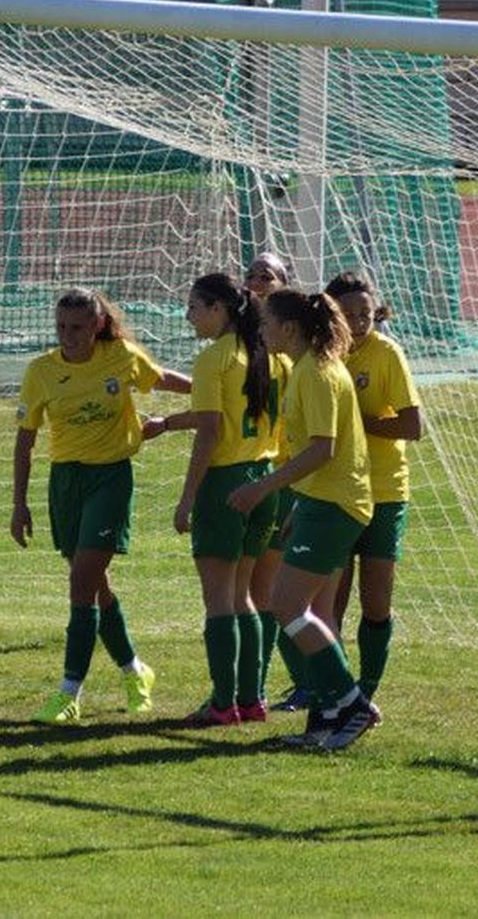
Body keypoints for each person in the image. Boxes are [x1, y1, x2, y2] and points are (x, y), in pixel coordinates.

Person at [12, 287, 191, 724]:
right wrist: (19, 503)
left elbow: (162, 378)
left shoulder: (121, 356)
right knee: (94, 583)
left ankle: (69, 692)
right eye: (60, 328)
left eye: (76, 328)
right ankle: (135, 670)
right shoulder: (41, 372)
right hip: (66, 482)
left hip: (111, 478)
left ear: (96, 326)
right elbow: (25, 438)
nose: (67, 336)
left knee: (81, 582)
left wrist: (219, 391)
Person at [226, 289, 379, 751]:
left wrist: (262, 488)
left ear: (289, 328)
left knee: (287, 606)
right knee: (306, 610)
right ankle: (327, 717)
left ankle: (352, 703)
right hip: (321, 503)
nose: (262, 330)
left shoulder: (315, 372)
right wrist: (296, 507)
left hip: (336, 505)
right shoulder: (305, 369)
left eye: (268, 323)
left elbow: (322, 448)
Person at [146, 273, 284, 726]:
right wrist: (167, 422)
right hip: (264, 480)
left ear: (219, 309)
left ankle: (223, 704)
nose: (188, 316)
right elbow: (219, 417)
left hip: (226, 484)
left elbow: (212, 431)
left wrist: (187, 499)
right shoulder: (268, 356)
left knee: (220, 600)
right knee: (244, 596)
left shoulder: (214, 359)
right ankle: (252, 699)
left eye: (193, 307)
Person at [321, 272, 423, 701]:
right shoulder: (322, 357)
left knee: (376, 602)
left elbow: (412, 425)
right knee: (329, 602)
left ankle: (368, 688)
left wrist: (358, 424)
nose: (360, 321)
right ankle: (332, 690)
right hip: (336, 491)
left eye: (366, 313)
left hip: (383, 491)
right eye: (350, 314)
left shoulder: (387, 354)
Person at [244, 252, 309, 712]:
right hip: (264, 473)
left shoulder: (294, 355)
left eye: (268, 275)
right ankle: (267, 684)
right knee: (260, 590)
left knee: (276, 592)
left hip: (290, 476)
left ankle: (306, 683)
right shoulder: (243, 343)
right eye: (252, 274)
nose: (258, 280)